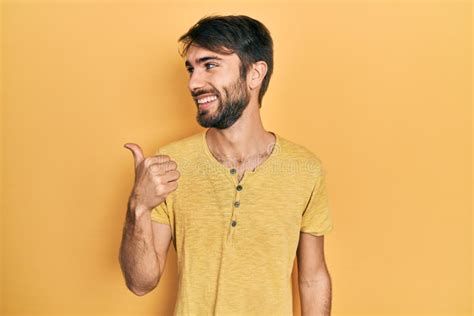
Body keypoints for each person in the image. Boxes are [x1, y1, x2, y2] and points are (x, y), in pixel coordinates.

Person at [118, 14, 334, 315]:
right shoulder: (170, 164)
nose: (194, 82)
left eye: (210, 65)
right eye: (191, 69)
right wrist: (138, 207)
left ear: (255, 74)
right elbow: (140, 282)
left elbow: (312, 278)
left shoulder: (304, 169)